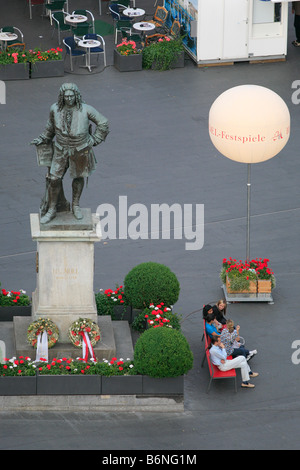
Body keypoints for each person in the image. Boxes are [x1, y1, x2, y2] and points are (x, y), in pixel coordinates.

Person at [31, 83, 109, 224]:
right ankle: (52, 209)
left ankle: (75, 205)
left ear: (76, 95)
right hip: (60, 150)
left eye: (71, 96)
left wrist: (95, 140)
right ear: (62, 97)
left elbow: (103, 122)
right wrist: (43, 138)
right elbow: (50, 128)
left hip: (79, 149)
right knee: (54, 178)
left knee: (78, 177)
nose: (69, 99)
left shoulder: (86, 109)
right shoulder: (54, 108)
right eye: (66, 96)